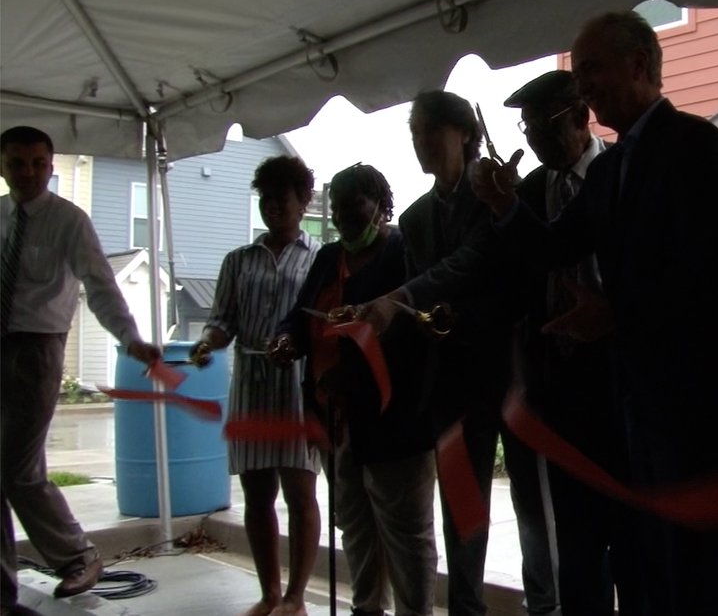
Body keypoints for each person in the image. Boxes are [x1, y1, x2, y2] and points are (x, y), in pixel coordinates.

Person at [473, 12, 718, 616]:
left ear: (639, 64)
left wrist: (616, 315)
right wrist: (502, 204)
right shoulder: (610, 169)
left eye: (593, 69)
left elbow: (705, 277)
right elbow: (553, 248)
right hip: (634, 412)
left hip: (694, 407)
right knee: (653, 568)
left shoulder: (696, 145)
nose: (584, 86)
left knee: (698, 573)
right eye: (579, 73)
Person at [362, 89, 558, 616]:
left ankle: (546, 606)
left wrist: (401, 299)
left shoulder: (496, 192)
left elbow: (473, 260)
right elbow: (421, 298)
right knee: (462, 510)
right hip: (451, 382)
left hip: (512, 372)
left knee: (532, 504)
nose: (421, 142)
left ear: (465, 133)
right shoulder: (416, 217)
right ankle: (466, 610)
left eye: (432, 130)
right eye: (414, 133)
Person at [0, 126, 161, 614]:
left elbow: (101, 285)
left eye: (38, 163)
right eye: (16, 163)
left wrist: (130, 338)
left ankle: (79, 557)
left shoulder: (69, 221)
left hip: (38, 349)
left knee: (17, 470)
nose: (28, 173)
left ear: (51, 167)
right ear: (3, 167)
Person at [270, 164, 438, 616]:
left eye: (354, 206)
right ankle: (367, 608)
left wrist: (355, 374)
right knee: (355, 525)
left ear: (381, 206)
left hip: (394, 423)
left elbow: (413, 336)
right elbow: (301, 314)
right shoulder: (329, 258)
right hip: (337, 423)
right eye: (336, 208)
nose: (343, 217)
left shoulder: (402, 253)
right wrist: (287, 338)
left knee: (405, 534)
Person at [503, 70, 623, 615]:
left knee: (630, 538)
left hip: (618, 377)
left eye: (542, 126)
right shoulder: (527, 193)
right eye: (526, 128)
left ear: (580, 115)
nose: (532, 139)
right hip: (556, 381)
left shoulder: (619, 172)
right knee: (575, 542)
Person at [189, 156, 322, 616]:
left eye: (282, 199)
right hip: (250, 385)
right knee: (257, 495)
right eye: (265, 199)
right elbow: (222, 321)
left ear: (304, 202)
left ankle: (296, 598)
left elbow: (322, 324)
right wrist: (207, 343)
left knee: (300, 494)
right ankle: (269, 595)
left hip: (298, 387)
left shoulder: (319, 259)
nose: (273, 208)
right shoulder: (238, 261)